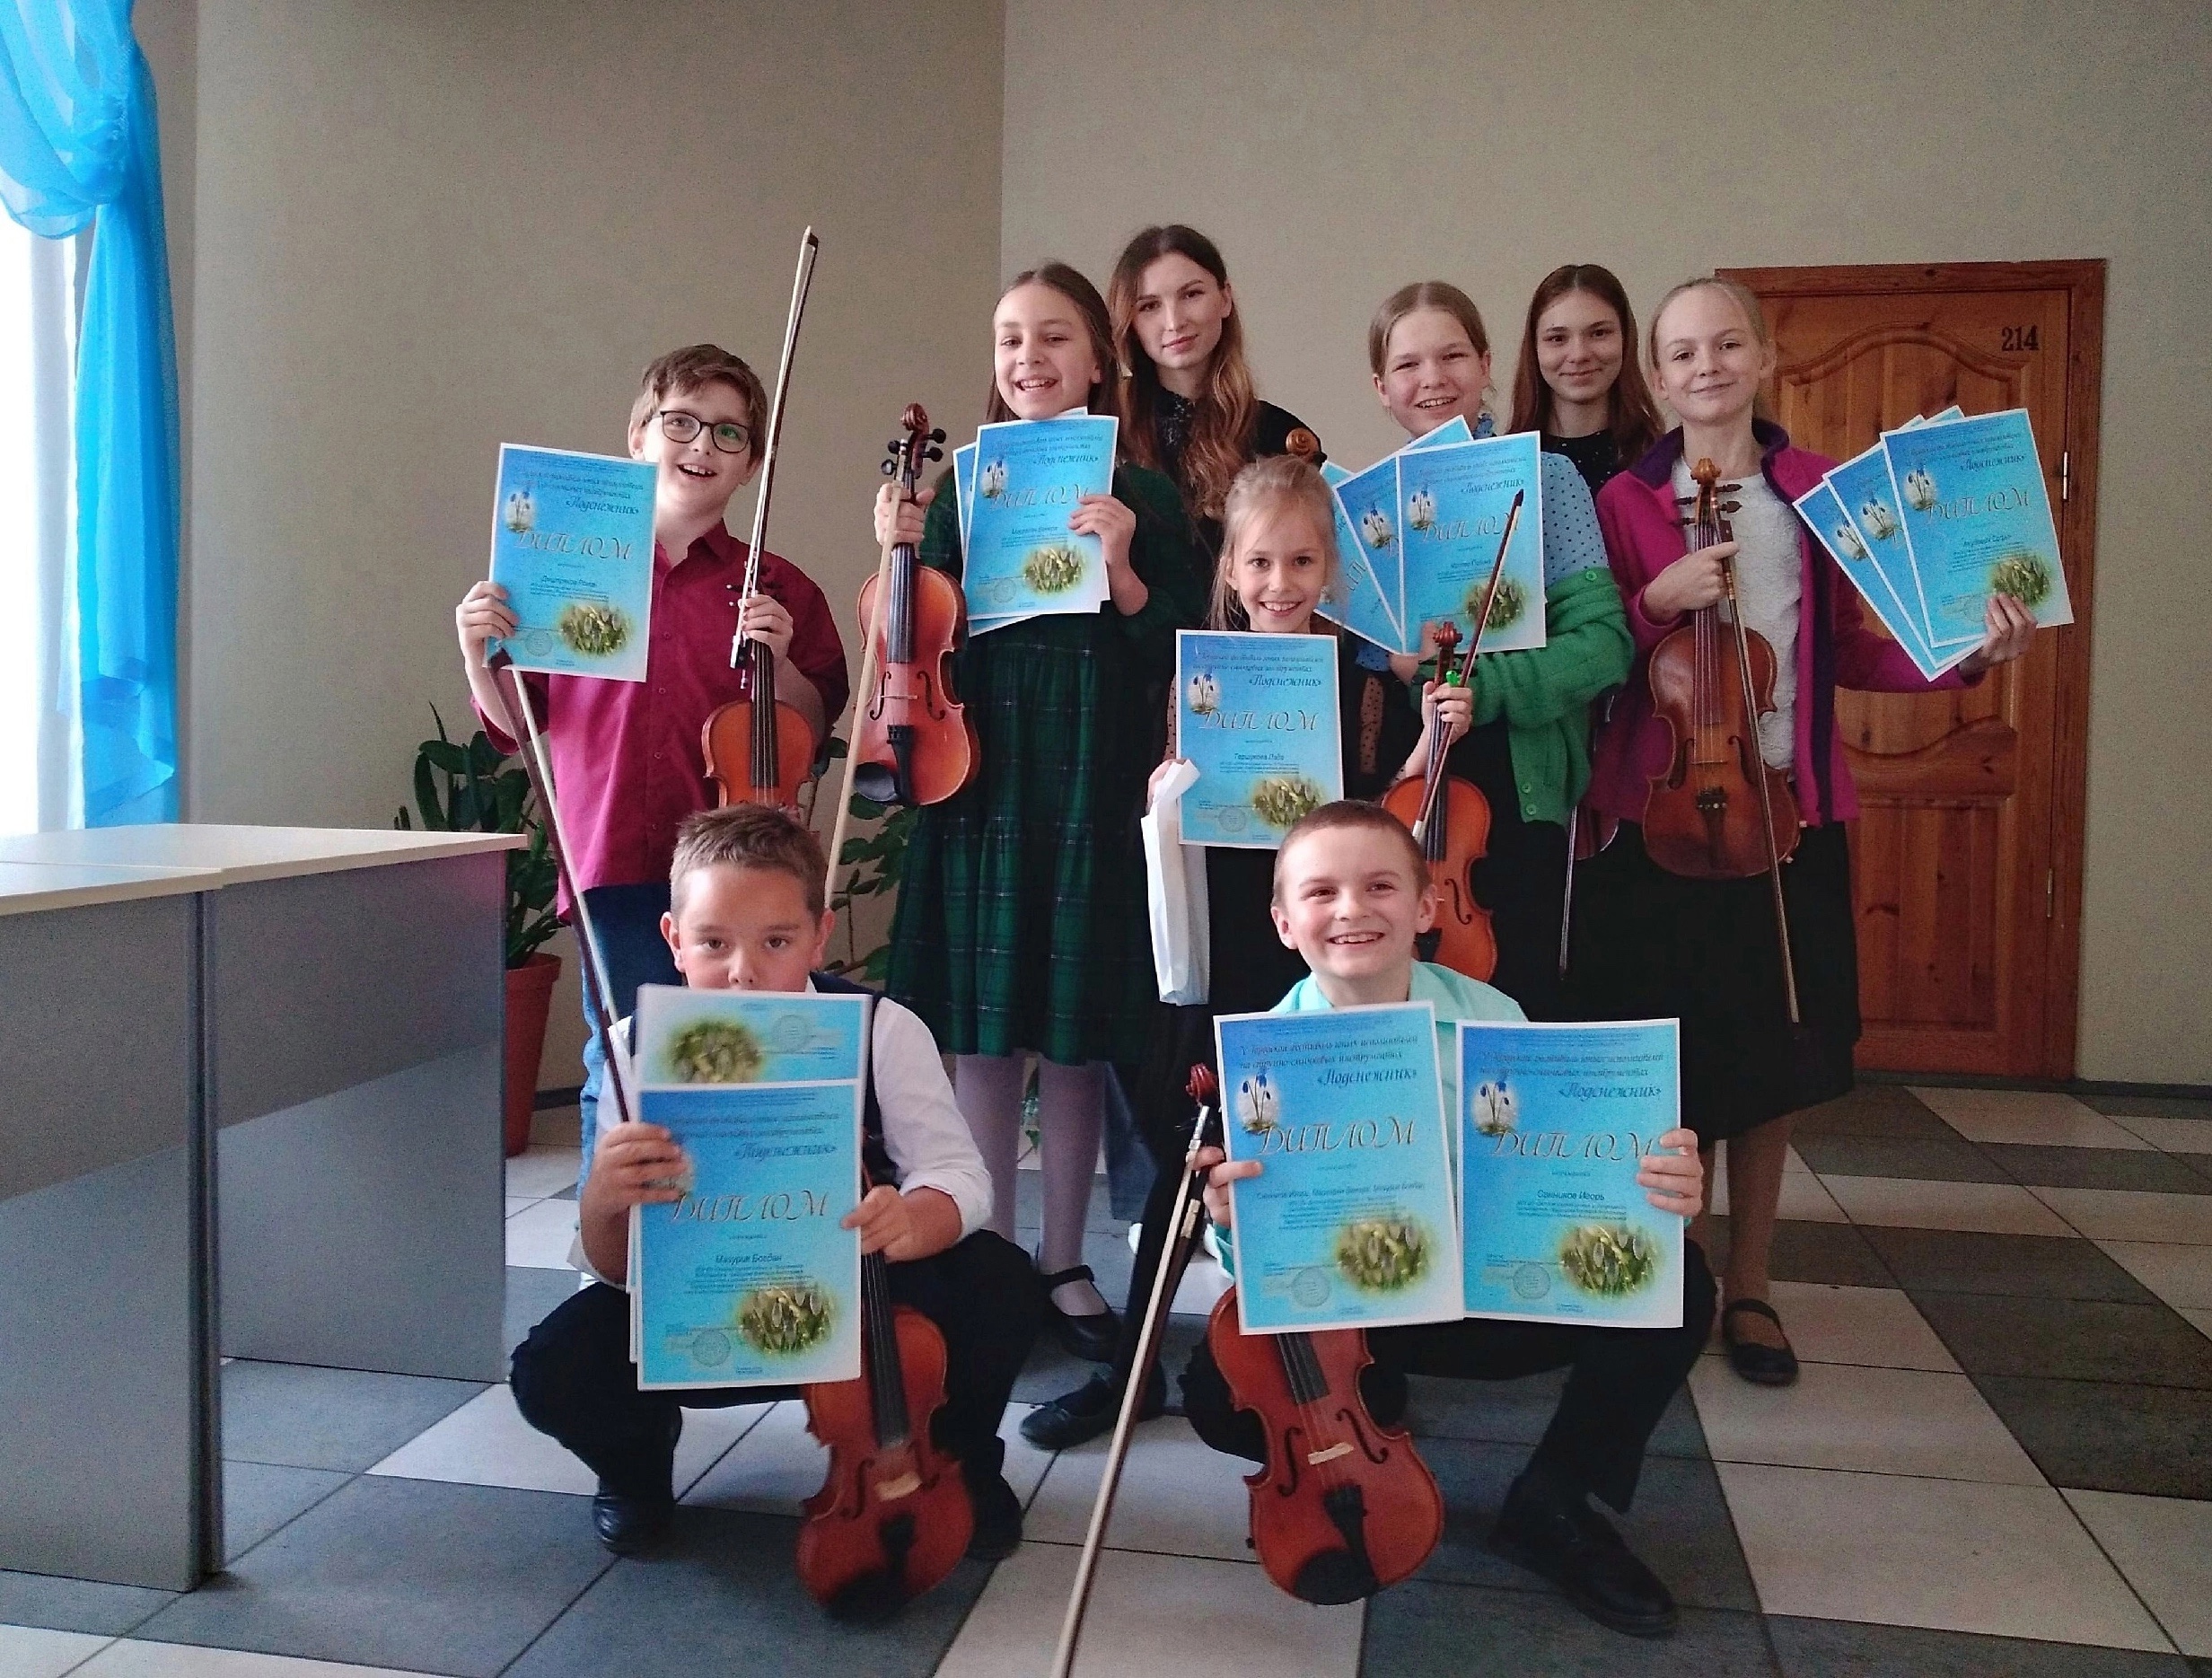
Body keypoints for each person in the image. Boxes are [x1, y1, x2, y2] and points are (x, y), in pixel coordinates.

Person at [1575, 276, 2038, 1385]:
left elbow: (1853, 648)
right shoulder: (1621, 503)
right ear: (1656, 377)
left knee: (1772, 1058)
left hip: (1784, 810)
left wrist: (1968, 654)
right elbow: (1591, 656)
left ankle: (1750, 1287)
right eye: (1682, 352)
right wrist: (1654, 604)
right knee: (1669, 1058)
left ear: (1764, 355)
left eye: (1726, 344)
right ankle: (1676, 1279)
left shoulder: (1819, 492)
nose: (1706, 366)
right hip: (1661, 811)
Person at [1023, 455, 1473, 1448]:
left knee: (1332, 1153)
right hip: (1224, 942)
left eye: (1302, 562)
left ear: (1329, 571)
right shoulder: (1200, 674)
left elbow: (1385, 814)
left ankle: (1351, 1358)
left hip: (1319, 956)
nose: (1280, 583)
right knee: (1198, 1158)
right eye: (1260, 562)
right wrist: (1168, 792)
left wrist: (1430, 744)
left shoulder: (1362, 682)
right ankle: (1131, 1370)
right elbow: (1162, 810)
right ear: (1229, 568)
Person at [1180, 801, 1712, 1638]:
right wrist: (1231, 1221)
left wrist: (1655, 1191)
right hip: (1352, 1324)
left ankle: (1554, 1499)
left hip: (1489, 1293)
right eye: (1321, 892)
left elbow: (1566, 1171)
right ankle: (1364, 1424)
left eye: (1380, 886)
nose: (1351, 909)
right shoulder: (1260, 1058)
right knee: (1215, 1390)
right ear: (1284, 922)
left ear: (1427, 904)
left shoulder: (1495, 1020)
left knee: (1683, 1285)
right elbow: (1262, 1279)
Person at [508, 804, 1043, 1570]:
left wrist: (909, 1219)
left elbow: (959, 1176)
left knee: (1001, 1281)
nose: (743, 971)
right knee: (552, 1367)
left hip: (861, 1305)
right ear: (673, 939)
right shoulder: (634, 1047)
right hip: (703, 1309)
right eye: (713, 942)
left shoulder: (882, 1027)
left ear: (820, 936)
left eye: (776, 942)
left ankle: (960, 1456)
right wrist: (602, 1195)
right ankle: (635, 1463)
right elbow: (612, 1266)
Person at [871, 264, 1211, 1361]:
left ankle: (1064, 1260)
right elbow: (913, 636)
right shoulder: (960, 489)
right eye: (1011, 338)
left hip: (1091, 777)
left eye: (1054, 336)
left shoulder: (1143, 493)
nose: (1030, 358)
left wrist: (1122, 566)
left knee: (1073, 1043)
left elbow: (1182, 649)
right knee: (982, 1040)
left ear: (1099, 358)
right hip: (982, 775)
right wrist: (896, 547)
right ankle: (992, 1259)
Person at [456, 346, 850, 1168]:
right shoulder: (566, 572)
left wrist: (780, 664)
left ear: (752, 464)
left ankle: (722, 1226)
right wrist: (474, 654)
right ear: (639, 435)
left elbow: (811, 726)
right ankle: (610, 1235)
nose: (702, 445)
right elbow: (519, 726)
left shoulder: (778, 585)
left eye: (729, 433)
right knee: (623, 1060)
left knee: (730, 1064)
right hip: (609, 855)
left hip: (737, 871)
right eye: (681, 423)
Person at [1369, 283, 1632, 1017]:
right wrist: (1389, 662)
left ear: (1486, 363)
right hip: (1405, 782)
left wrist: (1486, 689)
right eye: (1408, 364)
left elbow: (1605, 645)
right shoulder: (1372, 505)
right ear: (1381, 386)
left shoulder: (1547, 480)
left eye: (1452, 355)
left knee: (1515, 1010)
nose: (1432, 378)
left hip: (1516, 786)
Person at [1109, 224, 1323, 555]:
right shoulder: (1108, 434)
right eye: (1149, 306)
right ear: (1130, 321)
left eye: (1191, 294)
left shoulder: (1280, 437)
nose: (1174, 322)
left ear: (1225, 299)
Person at [1507, 264, 1665, 496]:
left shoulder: (1662, 461)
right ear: (1535, 348)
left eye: (1599, 333)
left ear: (1626, 339)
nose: (1579, 355)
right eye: (1558, 338)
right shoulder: (1505, 468)